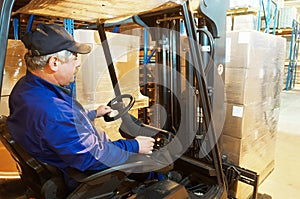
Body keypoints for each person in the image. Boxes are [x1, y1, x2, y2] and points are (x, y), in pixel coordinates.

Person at [6, 23, 156, 191]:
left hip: (68, 159)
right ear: (54, 62)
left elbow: (59, 125)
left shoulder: (26, 89)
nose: (78, 64)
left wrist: (93, 113)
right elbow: (93, 157)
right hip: (82, 174)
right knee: (149, 164)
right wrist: (134, 146)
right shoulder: (54, 112)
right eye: (74, 57)